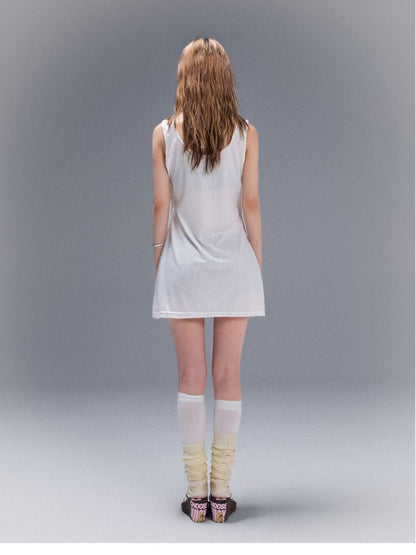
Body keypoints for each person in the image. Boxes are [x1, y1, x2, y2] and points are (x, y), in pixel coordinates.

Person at [151, 37, 265, 523]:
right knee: (228, 377)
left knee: (190, 379)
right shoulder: (247, 134)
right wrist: (256, 262)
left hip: (183, 267)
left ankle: (195, 496)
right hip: (234, 266)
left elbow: (161, 204)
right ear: (225, 79)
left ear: (186, 78)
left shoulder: (163, 134)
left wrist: (160, 258)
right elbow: (250, 203)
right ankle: (221, 497)